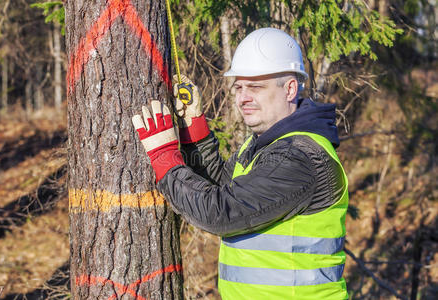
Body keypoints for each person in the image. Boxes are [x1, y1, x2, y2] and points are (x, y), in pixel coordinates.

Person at [132, 27, 349, 300]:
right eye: (239, 87)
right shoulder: (262, 145)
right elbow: (221, 188)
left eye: (255, 87)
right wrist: (194, 131)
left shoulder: (301, 158)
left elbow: (219, 212)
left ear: (290, 88)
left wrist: (165, 158)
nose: (243, 97)